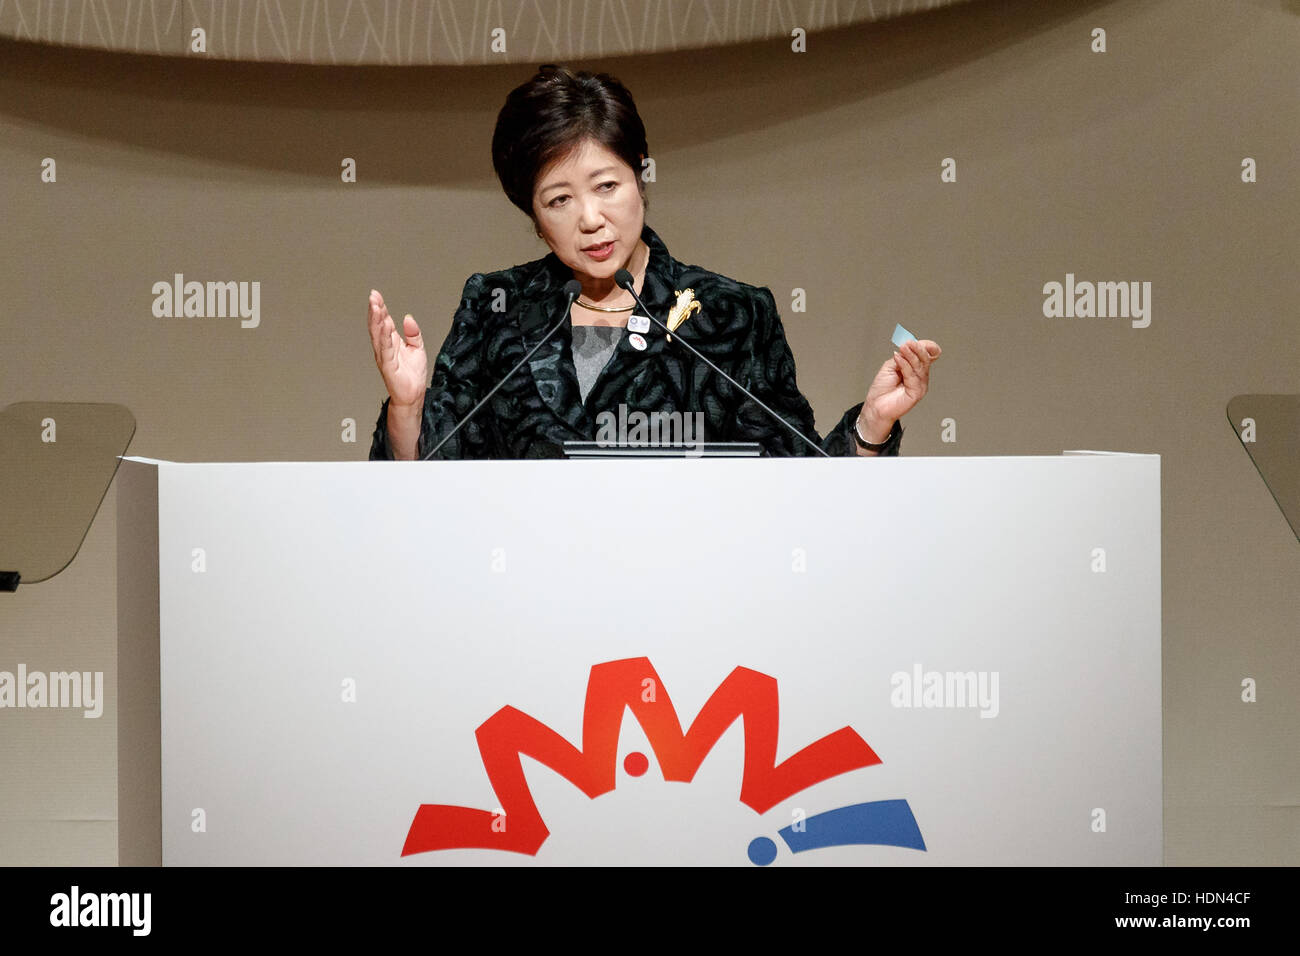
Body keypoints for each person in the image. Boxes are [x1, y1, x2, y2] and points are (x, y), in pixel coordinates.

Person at [367, 64, 940, 461]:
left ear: (641, 174)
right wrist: (408, 407)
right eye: (559, 200)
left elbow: (796, 482)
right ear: (535, 217)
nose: (590, 218)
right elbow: (430, 491)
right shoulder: (495, 307)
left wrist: (871, 427)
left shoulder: (731, 314)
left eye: (606, 185)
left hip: (684, 608)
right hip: (532, 608)